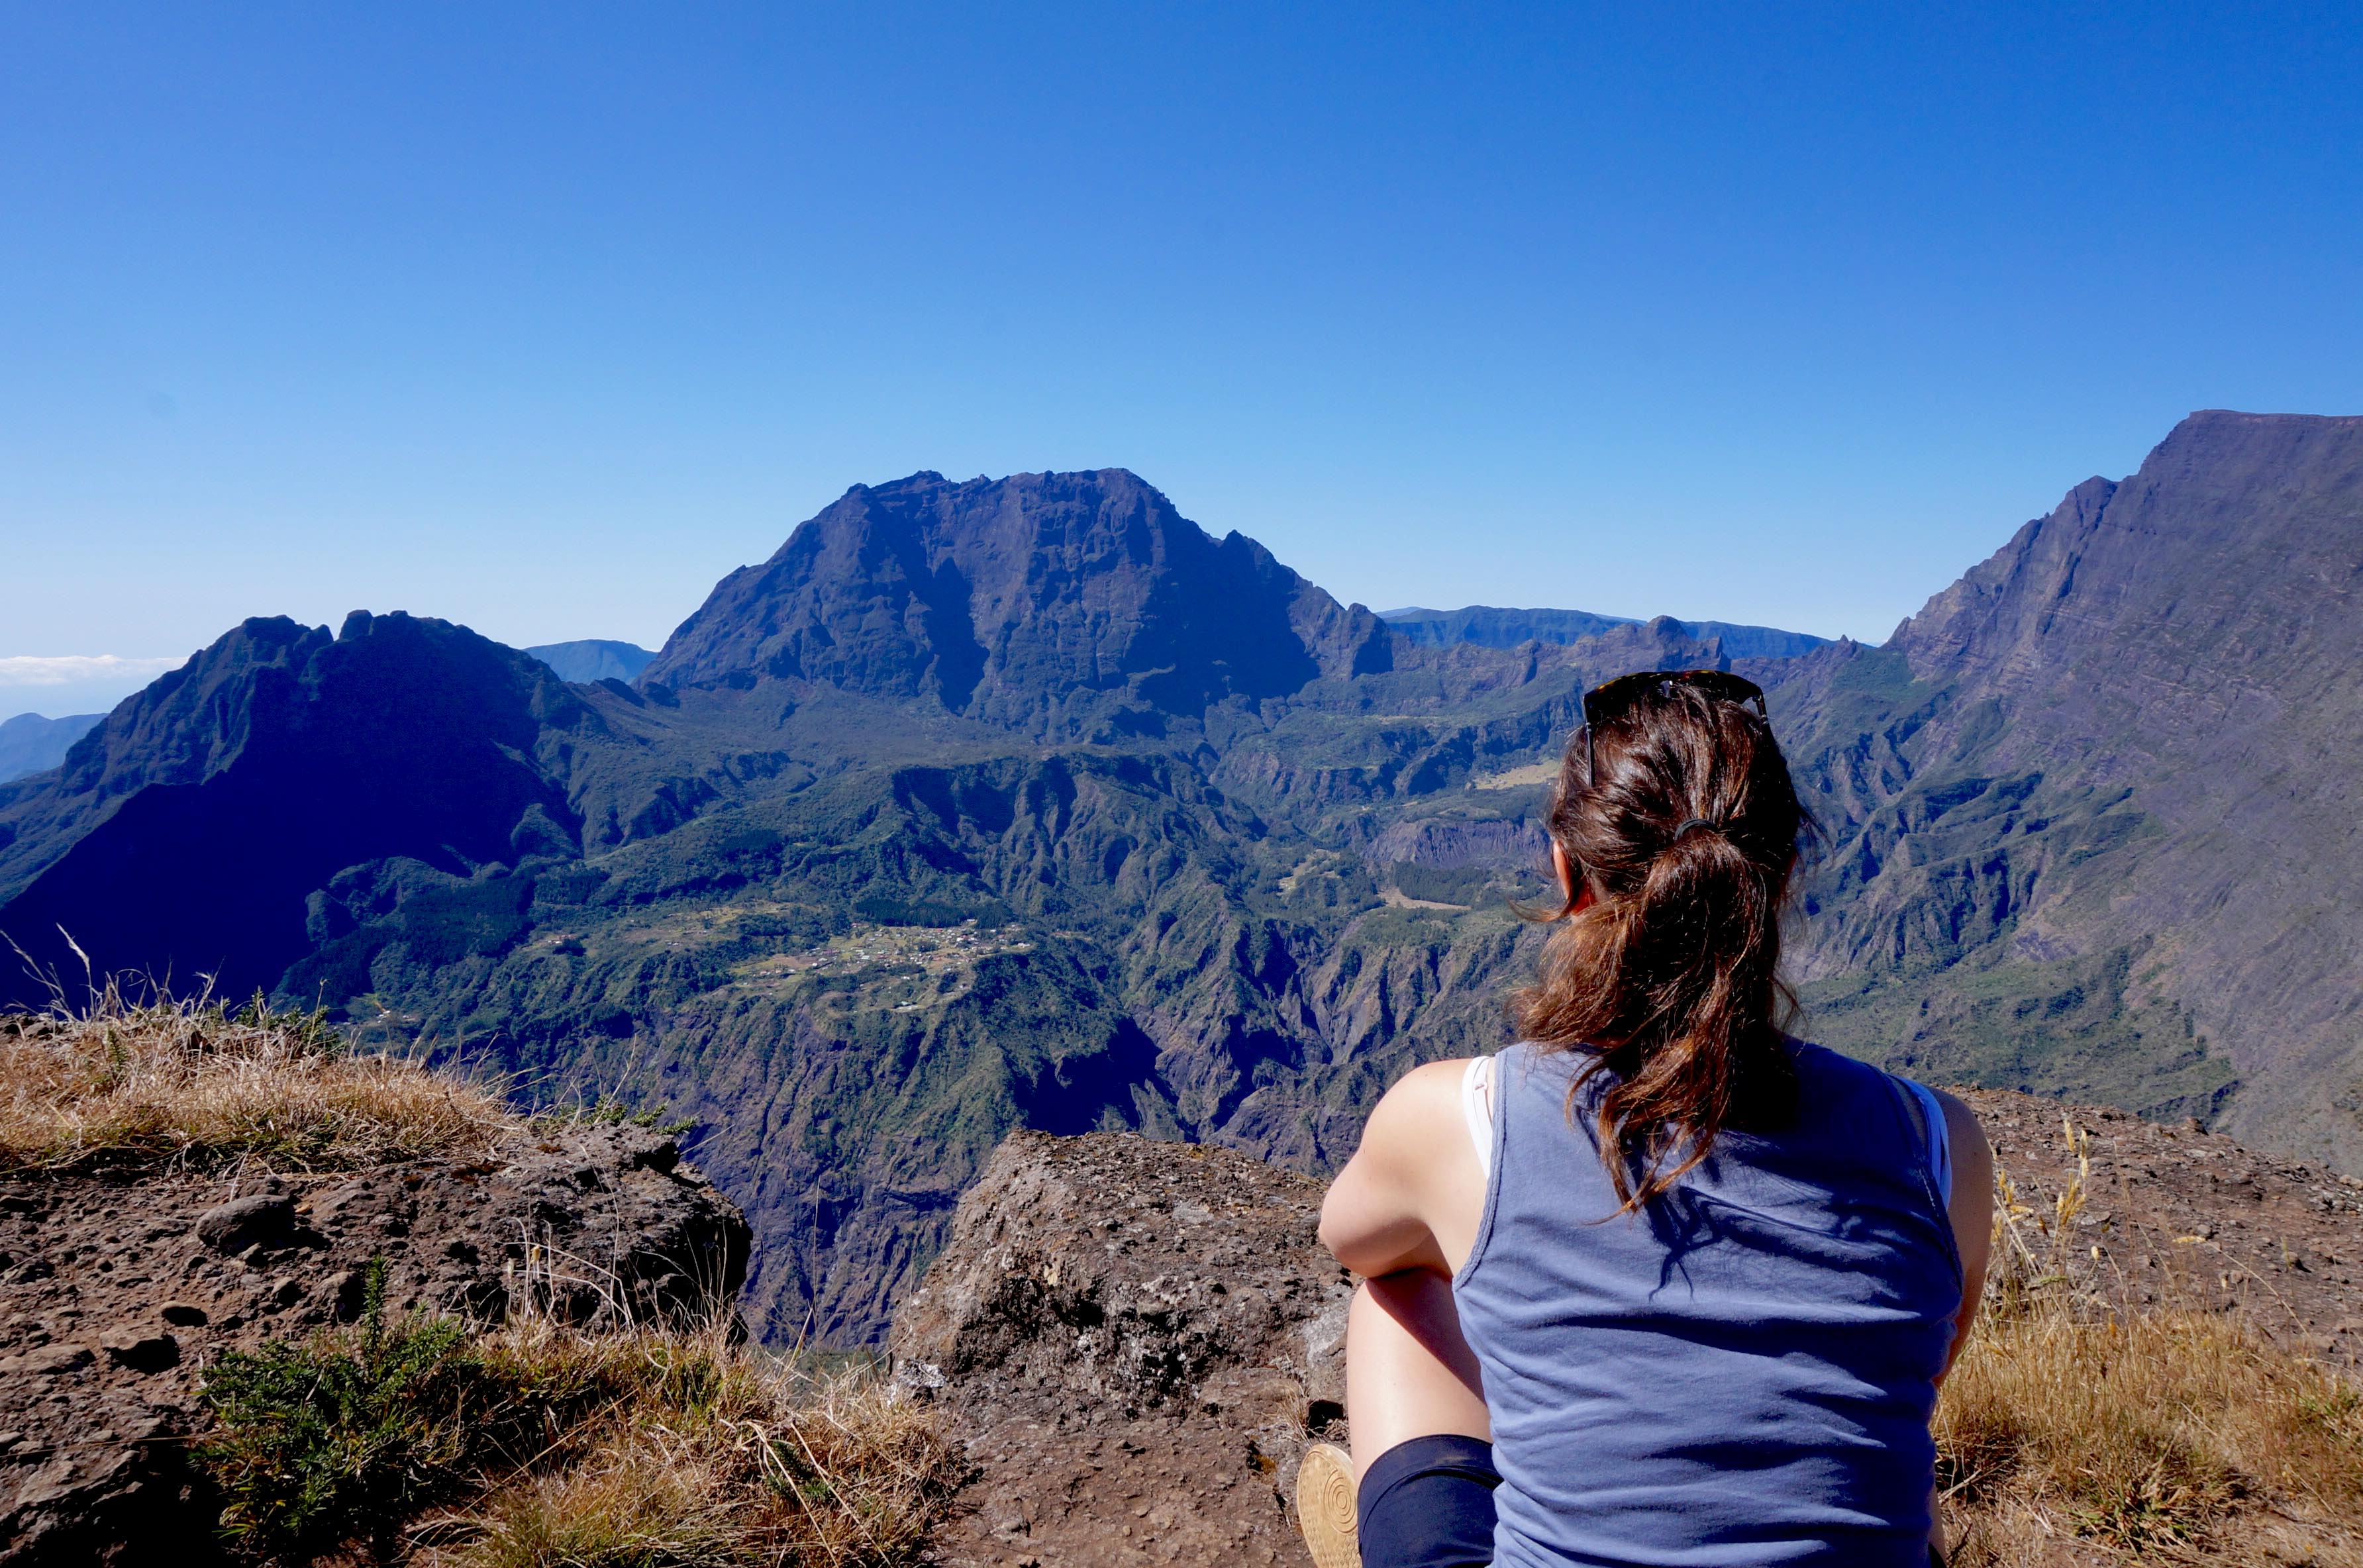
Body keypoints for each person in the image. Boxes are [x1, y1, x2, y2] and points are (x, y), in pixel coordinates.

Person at [1299, 669, 1992, 1568]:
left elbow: (1351, 1239)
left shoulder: (1455, 1118)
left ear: (1567, 874)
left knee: (1396, 1294)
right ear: (1781, 876)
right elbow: (1924, 1373)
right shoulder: (1942, 1148)